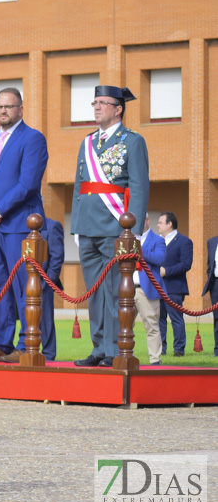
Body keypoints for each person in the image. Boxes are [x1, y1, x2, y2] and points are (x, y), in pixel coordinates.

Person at [71, 86, 149, 367]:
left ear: (118, 109)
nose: (97, 107)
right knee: (94, 291)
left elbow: (139, 187)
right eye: (95, 102)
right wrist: (77, 226)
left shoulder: (133, 141)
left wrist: (135, 229)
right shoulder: (87, 142)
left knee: (115, 291)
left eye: (103, 103)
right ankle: (99, 348)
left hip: (115, 226)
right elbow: (80, 186)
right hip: (88, 227)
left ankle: (115, 349)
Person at [0, 88, 47, 362]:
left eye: (9, 107)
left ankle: (26, 345)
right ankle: (1, 343)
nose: (3, 111)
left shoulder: (33, 138)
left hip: (19, 224)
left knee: (25, 286)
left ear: (21, 109)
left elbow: (28, 184)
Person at [14, 217, 63, 361]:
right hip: (21, 278)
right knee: (24, 317)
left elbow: (57, 256)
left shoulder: (53, 225)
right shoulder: (18, 225)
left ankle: (48, 354)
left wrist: (48, 281)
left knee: (45, 319)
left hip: (43, 281)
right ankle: (23, 349)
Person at [156, 212, 191, 358]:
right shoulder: (157, 241)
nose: (157, 225)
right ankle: (161, 349)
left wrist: (166, 271)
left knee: (176, 319)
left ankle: (179, 349)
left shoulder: (184, 241)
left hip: (175, 287)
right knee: (159, 319)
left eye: (160, 222)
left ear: (170, 224)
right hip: (157, 286)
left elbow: (186, 264)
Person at [134, 216, 167, 365]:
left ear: (147, 220)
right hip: (126, 289)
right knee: (123, 327)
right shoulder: (126, 237)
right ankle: (125, 358)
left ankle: (155, 360)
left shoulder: (158, 240)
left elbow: (159, 258)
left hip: (146, 289)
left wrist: (138, 251)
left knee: (152, 326)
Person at [204, 234, 218, 357]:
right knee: (217, 317)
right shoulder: (212, 241)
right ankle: (217, 349)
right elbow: (209, 265)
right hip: (216, 284)